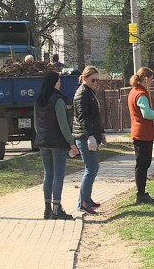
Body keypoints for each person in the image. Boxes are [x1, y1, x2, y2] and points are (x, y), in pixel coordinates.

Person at [34, 71, 79, 220]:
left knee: (48, 174)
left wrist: (41, 135)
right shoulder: (58, 100)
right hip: (57, 143)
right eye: (59, 80)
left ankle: (47, 209)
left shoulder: (39, 100)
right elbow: (63, 124)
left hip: (43, 142)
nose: (60, 83)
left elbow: (36, 124)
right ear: (55, 82)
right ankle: (57, 208)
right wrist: (71, 142)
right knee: (58, 175)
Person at [73, 66, 106, 214]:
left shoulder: (90, 92)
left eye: (96, 80)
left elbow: (96, 116)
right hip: (84, 136)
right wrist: (90, 136)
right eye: (93, 79)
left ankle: (87, 199)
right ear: (85, 78)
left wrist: (101, 131)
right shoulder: (82, 94)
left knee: (94, 168)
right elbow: (83, 118)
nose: (95, 82)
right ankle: (83, 204)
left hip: (91, 135)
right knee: (90, 169)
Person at [128, 67, 154, 204]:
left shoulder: (135, 91)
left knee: (143, 163)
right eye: (152, 79)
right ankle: (140, 194)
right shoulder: (140, 94)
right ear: (146, 79)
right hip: (142, 133)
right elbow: (146, 113)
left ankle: (142, 192)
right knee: (142, 164)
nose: (152, 82)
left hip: (143, 133)